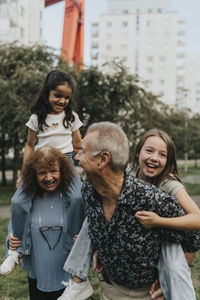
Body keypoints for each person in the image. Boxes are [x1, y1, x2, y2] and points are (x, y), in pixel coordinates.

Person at [58, 123, 200, 300]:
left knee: (173, 263)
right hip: (114, 286)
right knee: (92, 220)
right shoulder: (124, 175)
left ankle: (176, 289)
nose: (154, 158)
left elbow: (195, 225)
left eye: (162, 154)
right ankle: (78, 279)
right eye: (149, 151)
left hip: (163, 228)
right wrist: (101, 248)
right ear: (138, 153)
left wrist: (158, 221)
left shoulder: (166, 188)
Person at [0, 69, 83, 276]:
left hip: (66, 162)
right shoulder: (37, 117)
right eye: (58, 95)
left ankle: (76, 242)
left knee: (77, 197)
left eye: (66, 97)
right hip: (41, 163)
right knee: (19, 201)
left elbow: (79, 144)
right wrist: (23, 173)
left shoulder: (71, 117)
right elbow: (29, 145)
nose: (62, 100)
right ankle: (16, 250)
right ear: (47, 92)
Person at [1, 146, 85, 300]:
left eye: (53, 171)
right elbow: (15, 224)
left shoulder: (72, 200)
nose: (48, 177)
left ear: (63, 171)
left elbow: (87, 227)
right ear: (33, 175)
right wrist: (12, 240)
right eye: (42, 173)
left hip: (68, 279)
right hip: (38, 275)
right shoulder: (27, 200)